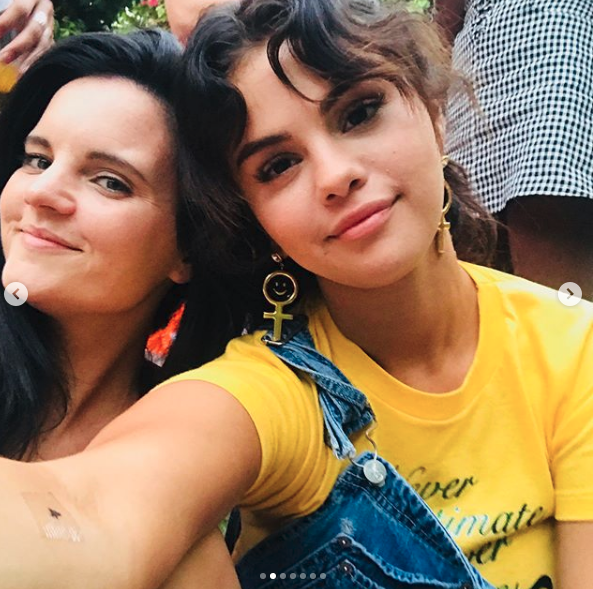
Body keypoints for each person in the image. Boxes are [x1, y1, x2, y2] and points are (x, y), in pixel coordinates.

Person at [0, 1, 589, 589]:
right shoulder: (277, 387)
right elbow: (95, 515)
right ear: (253, 218)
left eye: (360, 113)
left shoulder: (570, 347)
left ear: (435, 113)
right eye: (278, 165)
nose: (335, 176)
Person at [0, 29, 240, 588]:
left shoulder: (179, 504)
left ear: (187, 249)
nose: (41, 192)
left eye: (109, 181)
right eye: (37, 159)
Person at [435, 0, 593, 298]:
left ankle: (567, 319)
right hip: (472, 60)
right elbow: (448, 13)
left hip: (552, 32)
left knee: (546, 187)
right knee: (475, 227)